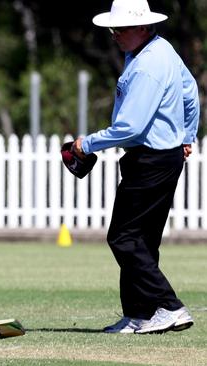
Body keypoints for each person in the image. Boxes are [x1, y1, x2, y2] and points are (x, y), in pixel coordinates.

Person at [72, 0, 199, 334]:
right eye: (113, 29)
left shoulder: (146, 66)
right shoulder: (162, 49)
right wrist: (188, 134)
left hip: (150, 159)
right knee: (143, 240)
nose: (115, 34)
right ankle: (140, 314)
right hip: (163, 157)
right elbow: (190, 92)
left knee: (124, 238)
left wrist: (86, 144)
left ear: (143, 27)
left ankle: (170, 306)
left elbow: (130, 127)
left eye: (122, 28)